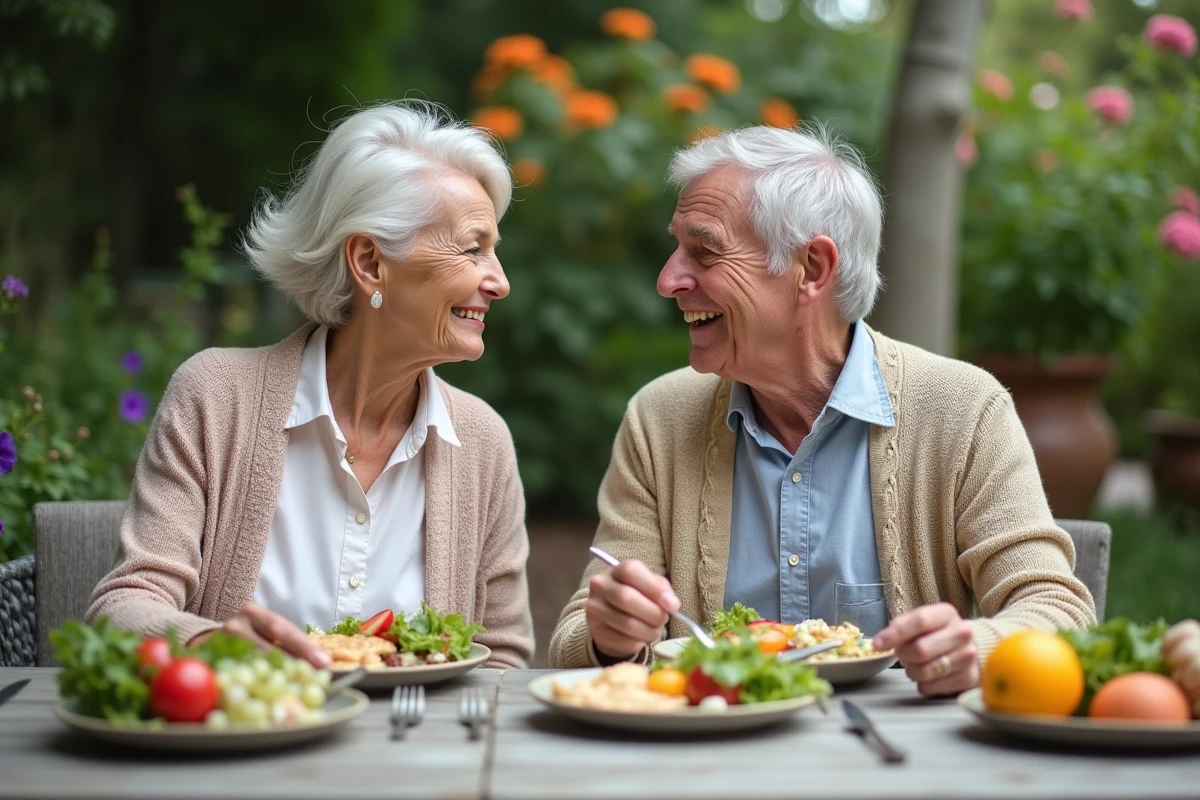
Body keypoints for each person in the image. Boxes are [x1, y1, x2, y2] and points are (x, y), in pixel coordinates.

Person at [548, 124, 1095, 695]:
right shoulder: (659, 418)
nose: (667, 280)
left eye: (704, 251)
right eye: (676, 247)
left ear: (811, 269)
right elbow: (572, 640)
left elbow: (1058, 609)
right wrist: (610, 636)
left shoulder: (962, 409)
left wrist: (977, 647)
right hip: (715, 759)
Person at [88, 102, 534, 668]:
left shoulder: (482, 441)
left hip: (413, 750)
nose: (500, 282)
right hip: (243, 739)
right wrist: (211, 646)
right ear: (370, 261)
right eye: (473, 249)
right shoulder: (217, 397)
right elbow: (124, 606)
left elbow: (502, 660)